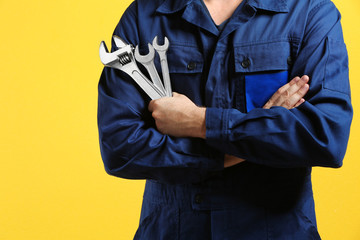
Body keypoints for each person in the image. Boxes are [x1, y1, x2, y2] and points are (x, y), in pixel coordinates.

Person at [97, 0, 352, 239]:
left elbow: (327, 137)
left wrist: (199, 122)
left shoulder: (310, 12)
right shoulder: (143, 16)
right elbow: (120, 147)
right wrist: (249, 140)